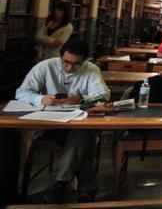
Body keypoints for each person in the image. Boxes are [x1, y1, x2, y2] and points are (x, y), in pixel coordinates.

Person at [15, 39, 110, 203]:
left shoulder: (91, 69)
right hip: (49, 126)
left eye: (75, 64)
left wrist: (80, 98)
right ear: (60, 56)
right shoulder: (45, 67)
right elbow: (21, 93)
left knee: (81, 133)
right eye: (65, 62)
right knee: (83, 140)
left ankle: (61, 183)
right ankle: (86, 188)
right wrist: (40, 98)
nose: (69, 67)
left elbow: (103, 95)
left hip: (78, 123)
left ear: (84, 60)